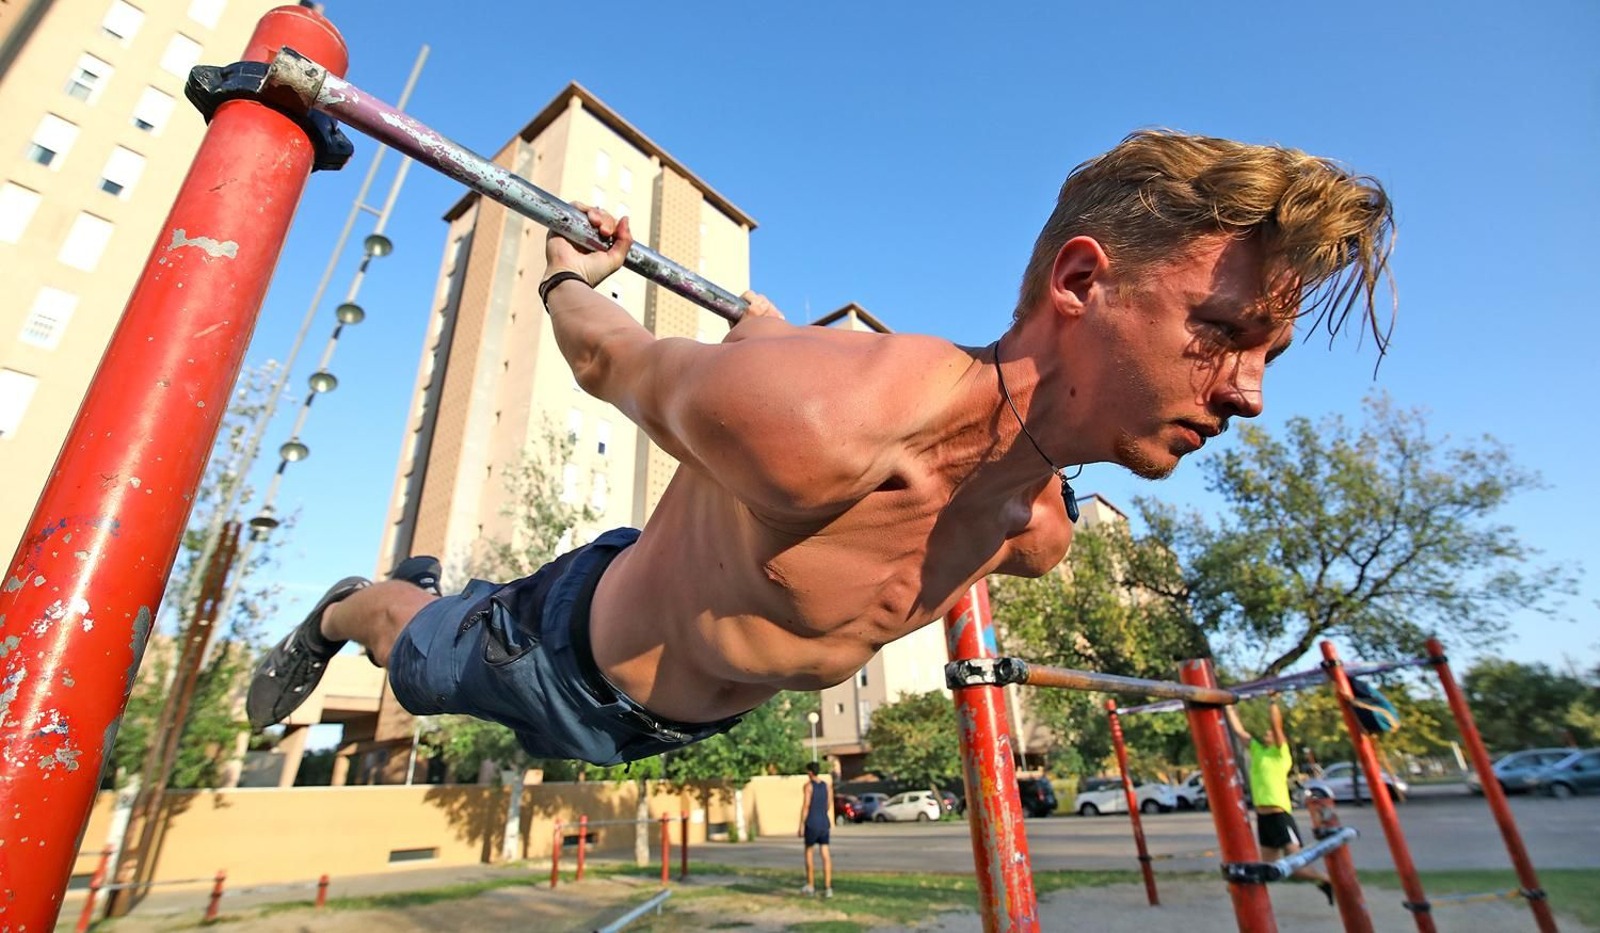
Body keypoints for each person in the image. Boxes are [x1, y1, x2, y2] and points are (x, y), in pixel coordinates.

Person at [248, 130, 1396, 770]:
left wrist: (772, 335)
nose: (1246, 394)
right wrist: (564, 274)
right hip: (557, 661)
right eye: (1223, 334)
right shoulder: (822, 421)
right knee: (412, 652)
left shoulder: (1038, 530)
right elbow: (611, 362)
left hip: (690, 717)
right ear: (1083, 282)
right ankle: (361, 601)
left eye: (1269, 357)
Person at [1226, 692, 1335, 905]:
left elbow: (1277, 726)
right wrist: (1228, 707)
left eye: (1271, 733)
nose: (1268, 733)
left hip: (1280, 816)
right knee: (1266, 869)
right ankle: (1249, 901)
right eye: (1266, 732)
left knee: (1297, 867)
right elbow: (1239, 731)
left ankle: (1328, 881)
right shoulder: (1258, 752)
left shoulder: (1280, 754)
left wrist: (1272, 701)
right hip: (1264, 818)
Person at [797, 761, 834, 897]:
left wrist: (801, 824)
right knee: (825, 854)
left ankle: (811, 885)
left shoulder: (808, 786)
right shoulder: (826, 786)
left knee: (809, 853)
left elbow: (806, 805)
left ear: (809, 772)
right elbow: (828, 804)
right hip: (824, 822)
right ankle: (828, 887)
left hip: (812, 822)